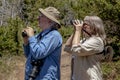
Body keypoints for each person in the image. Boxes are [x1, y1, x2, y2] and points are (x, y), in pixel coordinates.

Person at [22, 7, 62, 80]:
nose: (38, 18)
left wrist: (31, 37)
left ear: (49, 21)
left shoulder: (54, 35)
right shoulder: (39, 36)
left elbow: (38, 53)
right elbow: (29, 54)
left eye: (41, 16)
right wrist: (26, 41)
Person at [64, 16, 106, 80]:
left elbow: (76, 50)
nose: (83, 26)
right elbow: (67, 47)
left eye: (85, 24)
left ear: (95, 26)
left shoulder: (97, 41)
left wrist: (78, 31)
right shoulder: (84, 40)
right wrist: (75, 31)